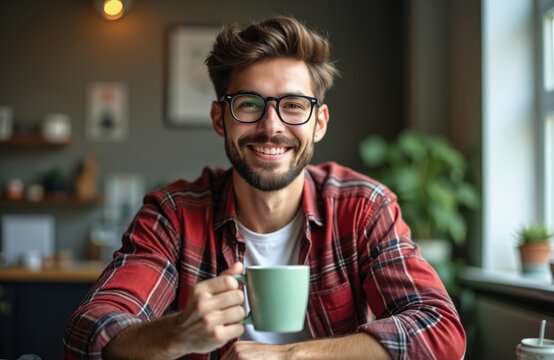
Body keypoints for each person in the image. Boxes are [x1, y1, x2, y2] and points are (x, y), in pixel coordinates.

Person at [63, 15, 466, 360]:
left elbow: (440, 331)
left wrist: (293, 355)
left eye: (293, 106)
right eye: (250, 104)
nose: (272, 126)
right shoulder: (174, 214)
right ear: (220, 119)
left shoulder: (362, 207)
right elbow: (86, 332)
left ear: (319, 123)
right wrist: (175, 334)